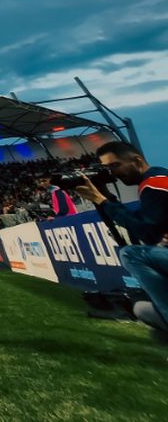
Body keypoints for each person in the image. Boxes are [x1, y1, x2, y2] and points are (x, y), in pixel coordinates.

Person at [72, 141, 168, 336]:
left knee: (131, 254)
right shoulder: (160, 177)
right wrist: (107, 199)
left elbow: (146, 232)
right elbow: (146, 224)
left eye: (115, 165)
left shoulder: (154, 185)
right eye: (106, 168)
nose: (112, 173)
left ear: (137, 161)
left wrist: (101, 200)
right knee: (142, 310)